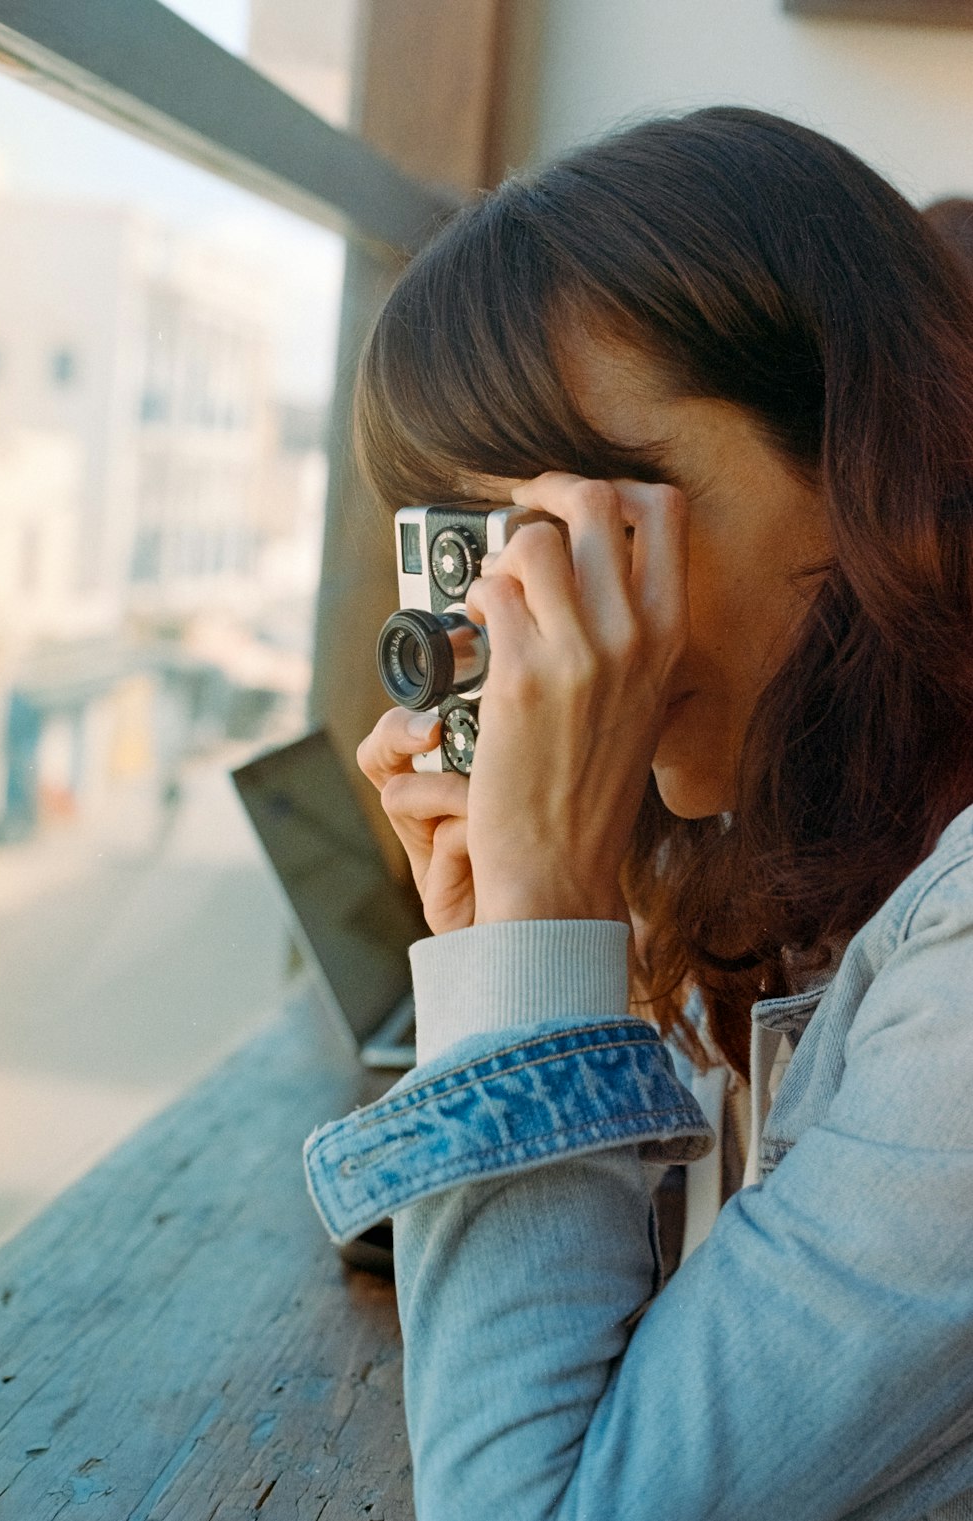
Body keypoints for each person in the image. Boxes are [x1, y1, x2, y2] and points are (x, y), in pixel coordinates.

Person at [304, 107, 973, 1519]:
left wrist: (539, 943)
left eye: (597, 520)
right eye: (490, 546)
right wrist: (528, 930)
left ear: (872, 452)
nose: (548, 625)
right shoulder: (771, 865)